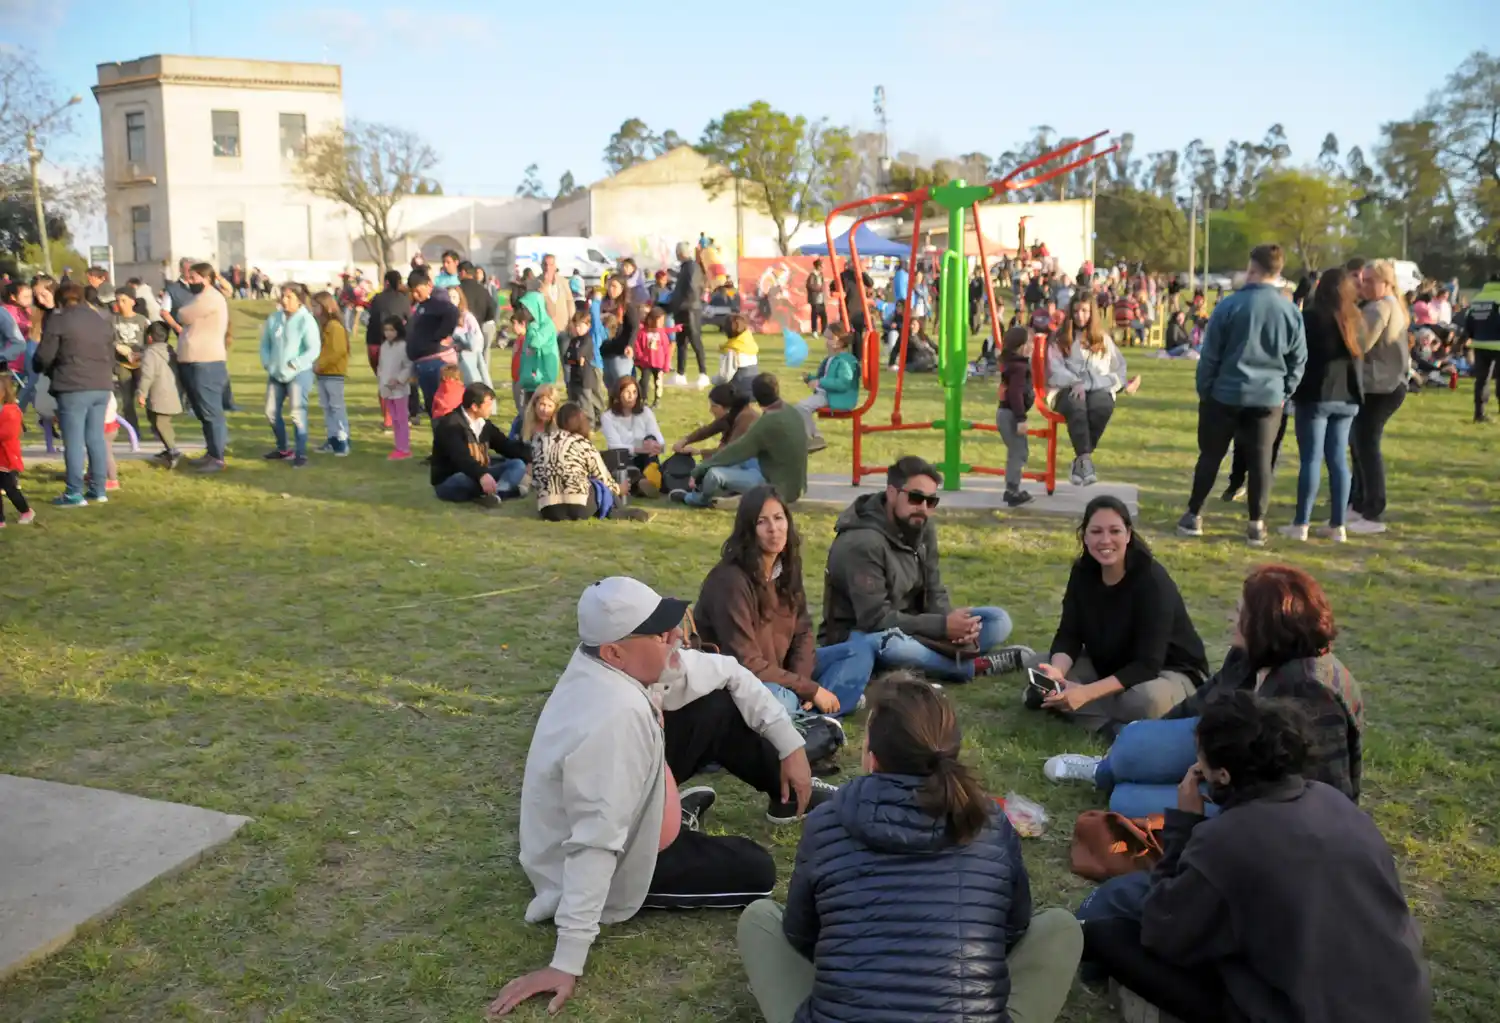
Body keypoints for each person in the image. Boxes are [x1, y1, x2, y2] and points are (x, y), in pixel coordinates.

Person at [490, 577, 832, 1019]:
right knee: (757, 870)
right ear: (615, 652)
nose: (676, 637)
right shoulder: (611, 720)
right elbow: (595, 842)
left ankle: (787, 794)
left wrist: (791, 746)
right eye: (659, 633)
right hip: (609, 862)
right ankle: (673, 828)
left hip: (628, 799)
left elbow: (729, 671)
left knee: (717, 706)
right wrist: (566, 960)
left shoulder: (615, 663)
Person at [737, 674, 1084, 1023]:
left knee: (760, 918)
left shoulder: (827, 821)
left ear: (872, 757)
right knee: (1060, 926)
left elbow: (801, 935)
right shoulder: (991, 823)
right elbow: (1012, 929)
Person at [1080, 693, 1429, 1023]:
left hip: (1301, 1013)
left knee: (1110, 935)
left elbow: (1163, 930)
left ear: (1222, 775)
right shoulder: (1333, 801)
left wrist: (1183, 825)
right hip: (1401, 1005)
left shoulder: (1227, 838)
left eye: (1200, 759)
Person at [1046, 563, 1363, 821]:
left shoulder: (1311, 689)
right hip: (1224, 750)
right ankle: (1105, 769)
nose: (1231, 618)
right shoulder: (1248, 655)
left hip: (1261, 798)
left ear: (1268, 624)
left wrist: (1217, 786)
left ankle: (1123, 774)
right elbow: (1202, 702)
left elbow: (1329, 792)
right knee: (1133, 740)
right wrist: (1153, 736)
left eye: (1241, 613)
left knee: (1125, 800)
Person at [818, 456, 1030, 684]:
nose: (923, 508)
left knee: (998, 620)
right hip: (863, 635)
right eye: (916, 498)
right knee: (890, 645)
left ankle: (933, 661)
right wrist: (941, 627)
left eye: (931, 501)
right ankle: (972, 667)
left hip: (914, 627)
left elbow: (934, 588)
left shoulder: (921, 526)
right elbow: (874, 619)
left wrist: (954, 631)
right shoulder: (862, 543)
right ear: (892, 493)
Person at [1029, 496, 1208, 736]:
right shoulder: (1082, 573)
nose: (1105, 540)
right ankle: (1105, 722)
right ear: (1085, 536)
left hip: (1167, 672)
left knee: (1145, 701)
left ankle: (1075, 707)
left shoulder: (1152, 581)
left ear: (1128, 535)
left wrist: (1086, 693)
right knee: (1039, 667)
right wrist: (1057, 674)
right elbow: (1069, 634)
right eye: (1096, 531)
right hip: (1110, 665)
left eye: (1115, 531)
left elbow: (1147, 664)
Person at [1177, 244, 1307, 547]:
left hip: (1225, 394)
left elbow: (1210, 355)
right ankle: (1256, 524)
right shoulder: (1290, 311)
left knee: (1211, 456)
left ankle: (1194, 514)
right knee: (1261, 461)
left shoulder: (1229, 306)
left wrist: (1205, 391)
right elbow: (1298, 359)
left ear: (1252, 269)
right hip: (1268, 397)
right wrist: (1285, 390)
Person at [695, 485, 856, 716]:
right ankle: (820, 708)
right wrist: (808, 689)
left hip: (782, 675)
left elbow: (803, 633)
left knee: (857, 651)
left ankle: (808, 709)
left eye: (779, 518)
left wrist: (803, 685)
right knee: (777, 699)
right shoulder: (729, 581)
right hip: (742, 685)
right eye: (762, 522)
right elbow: (746, 663)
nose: (773, 529)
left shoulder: (786, 567)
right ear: (748, 530)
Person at [1279, 268, 1364, 542]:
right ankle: (1338, 525)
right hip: (1348, 395)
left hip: (1316, 395)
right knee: (1339, 460)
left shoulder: (1311, 318)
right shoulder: (1355, 318)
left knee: (1311, 460)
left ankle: (1301, 523)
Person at [33, 284, 114, 506]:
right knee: (96, 438)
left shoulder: (59, 320)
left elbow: (44, 355)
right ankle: (98, 489)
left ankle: (74, 492)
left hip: (72, 384)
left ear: (60, 301)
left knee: (74, 441)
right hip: (102, 384)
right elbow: (110, 352)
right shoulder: (100, 319)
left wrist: (42, 368)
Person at [675, 374, 806, 508]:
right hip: (792, 480)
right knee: (732, 462)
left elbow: (734, 452)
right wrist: (687, 440)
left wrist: (700, 469)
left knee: (714, 474)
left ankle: (694, 499)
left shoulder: (763, 422)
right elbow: (717, 431)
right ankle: (729, 490)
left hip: (777, 487)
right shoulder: (791, 411)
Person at [1347, 259, 1410, 535]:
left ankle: (1372, 510)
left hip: (1380, 387)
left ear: (1387, 283)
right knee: (1360, 444)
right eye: (1364, 279)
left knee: (1366, 446)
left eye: (1371, 280)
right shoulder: (1390, 305)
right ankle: (1360, 503)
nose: (1364, 285)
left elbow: (1359, 344)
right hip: (1385, 385)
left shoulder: (1379, 308)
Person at [1046, 293, 1128, 487]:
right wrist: (1075, 382)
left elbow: (1118, 368)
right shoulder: (1060, 338)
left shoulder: (1103, 339)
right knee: (1077, 405)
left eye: (1084, 311)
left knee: (1102, 405)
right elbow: (1055, 368)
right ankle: (1085, 461)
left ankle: (1081, 460)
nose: (1079, 316)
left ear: (1092, 313)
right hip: (1065, 388)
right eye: (1075, 311)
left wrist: (1115, 383)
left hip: (1097, 387)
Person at [168, 262, 231, 473]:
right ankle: (211, 453)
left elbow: (183, 314)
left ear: (208, 278)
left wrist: (180, 309)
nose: (190, 281)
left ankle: (218, 457)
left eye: (195, 278)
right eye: (189, 278)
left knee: (211, 411)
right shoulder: (198, 297)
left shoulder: (211, 297)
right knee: (202, 412)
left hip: (207, 362)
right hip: (192, 360)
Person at [530, 401, 641, 521]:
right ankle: (618, 511)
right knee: (598, 485)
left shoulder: (541, 442)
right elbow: (603, 478)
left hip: (548, 509)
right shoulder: (582, 443)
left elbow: (536, 478)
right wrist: (619, 489)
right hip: (579, 506)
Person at [430, 382, 530, 506]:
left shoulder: (484, 424)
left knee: (517, 464)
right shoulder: (450, 425)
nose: (491, 409)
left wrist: (531, 457)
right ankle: (501, 492)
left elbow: (505, 445)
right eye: (488, 405)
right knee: (462, 479)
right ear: (474, 407)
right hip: (452, 477)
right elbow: (461, 458)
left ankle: (497, 494)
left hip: (480, 472)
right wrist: (481, 474)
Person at [258, 285, 321, 467]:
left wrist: (297, 363)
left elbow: (313, 349)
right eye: (283, 296)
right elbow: (265, 344)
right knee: (270, 412)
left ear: (299, 300)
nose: (284, 300)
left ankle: (301, 454)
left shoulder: (306, 320)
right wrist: (267, 362)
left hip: (298, 375)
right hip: (276, 373)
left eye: (289, 297)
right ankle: (283, 449)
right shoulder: (274, 318)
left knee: (297, 414)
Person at [405, 269, 457, 417]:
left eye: (418, 291)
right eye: (413, 292)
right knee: (431, 406)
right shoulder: (422, 306)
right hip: (423, 362)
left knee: (441, 405)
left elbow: (452, 312)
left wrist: (441, 335)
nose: (415, 295)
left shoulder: (437, 302)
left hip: (435, 360)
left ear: (428, 285)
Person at [795, 331, 859, 450]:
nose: (826, 342)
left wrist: (820, 382)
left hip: (835, 397)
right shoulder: (832, 359)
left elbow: (843, 383)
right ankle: (815, 438)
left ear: (840, 343)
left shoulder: (845, 361)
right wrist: (810, 378)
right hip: (827, 394)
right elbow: (824, 377)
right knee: (800, 408)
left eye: (830, 338)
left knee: (802, 407)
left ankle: (813, 439)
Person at [996, 325, 1035, 507]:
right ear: (1020, 346)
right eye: (1030, 343)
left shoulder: (1012, 364)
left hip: (1006, 414)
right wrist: (1021, 418)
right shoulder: (1019, 367)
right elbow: (1015, 394)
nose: (1033, 346)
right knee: (1019, 452)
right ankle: (1012, 491)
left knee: (1017, 451)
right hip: (1011, 415)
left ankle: (1012, 488)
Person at [136, 321, 184, 469]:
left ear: (150, 337)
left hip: (160, 394)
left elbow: (147, 375)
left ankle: (173, 451)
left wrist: (142, 394)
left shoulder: (150, 353)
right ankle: (169, 448)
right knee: (157, 421)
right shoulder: (170, 350)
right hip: (173, 392)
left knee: (160, 423)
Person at [309, 291, 351, 456]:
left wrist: (320, 364)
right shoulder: (324, 326)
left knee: (336, 407)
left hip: (333, 373)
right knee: (327, 408)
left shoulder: (334, 327)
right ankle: (332, 439)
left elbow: (338, 351)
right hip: (323, 374)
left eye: (316, 306)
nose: (313, 310)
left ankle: (343, 440)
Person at [599, 376, 663, 479]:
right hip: (623, 459)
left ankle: (650, 479)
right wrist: (640, 447)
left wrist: (654, 445)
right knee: (626, 456)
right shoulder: (608, 417)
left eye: (634, 392)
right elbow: (615, 446)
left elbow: (659, 440)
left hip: (645, 458)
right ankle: (645, 480)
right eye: (627, 392)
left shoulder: (646, 412)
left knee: (651, 439)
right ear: (618, 394)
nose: (631, 396)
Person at [672, 382, 760, 457]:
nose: (711, 410)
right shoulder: (733, 413)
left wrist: (699, 452)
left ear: (727, 407)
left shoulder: (746, 418)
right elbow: (709, 430)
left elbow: (730, 452)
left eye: (714, 406)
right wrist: (685, 440)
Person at [668, 242, 709, 388]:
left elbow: (692, 287)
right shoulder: (685, 267)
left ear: (680, 253)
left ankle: (703, 373)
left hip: (690, 309)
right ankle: (680, 373)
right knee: (681, 342)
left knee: (695, 340)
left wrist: (683, 303)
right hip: (682, 309)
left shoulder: (691, 266)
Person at [108, 285, 148, 434]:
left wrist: (141, 354)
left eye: (123, 300)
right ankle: (134, 431)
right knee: (127, 399)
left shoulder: (142, 320)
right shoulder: (113, 320)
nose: (120, 304)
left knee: (146, 396)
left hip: (140, 363)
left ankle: (156, 427)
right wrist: (118, 346)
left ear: (132, 301)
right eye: (117, 300)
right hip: (122, 364)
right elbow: (107, 339)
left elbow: (150, 341)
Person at [513, 291, 561, 410]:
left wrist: (532, 327)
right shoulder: (531, 326)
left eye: (527, 309)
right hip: (530, 377)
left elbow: (536, 342)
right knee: (529, 409)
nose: (525, 312)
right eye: (524, 309)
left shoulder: (546, 324)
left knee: (542, 408)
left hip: (543, 375)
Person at [376, 316, 415, 460]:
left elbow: (408, 366)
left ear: (398, 330)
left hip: (399, 389)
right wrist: (382, 380)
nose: (388, 333)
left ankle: (404, 448)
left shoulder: (403, 346)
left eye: (392, 330)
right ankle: (399, 446)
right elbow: (381, 366)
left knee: (401, 418)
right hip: (387, 388)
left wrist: (399, 380)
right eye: (386, 330)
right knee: (394, 419)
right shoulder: (384, 346)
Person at [1465, 271, 1500, 423]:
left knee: (1482, 380)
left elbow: (1469, 320)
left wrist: (1473, 336)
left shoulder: (1478, 298)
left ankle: (1479, 413)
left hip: (1480, 344)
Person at [0, 373, 33, 526]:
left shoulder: (11, 411)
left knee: (10, 488)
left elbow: (8, 433)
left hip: (6, 457)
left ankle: (25, 511)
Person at [458, 261, 498, 387]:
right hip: (477, 331)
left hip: (460, 335)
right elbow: (492, 310)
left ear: (462, 272)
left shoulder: (458, 290)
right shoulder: (483, 290)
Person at [365, 269, 410, 378]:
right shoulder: (404, 299)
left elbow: (372, 317)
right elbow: (410, 319)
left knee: (382, 377)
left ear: (386, 282)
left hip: (374, 341)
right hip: (395, 342)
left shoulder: (377, 298)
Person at [562, 308, 605, 421]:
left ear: (588, 326)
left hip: (584, 378)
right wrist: (575, 360)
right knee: (573, 402)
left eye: (580, 325)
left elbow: (577, 355)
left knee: (585, 403)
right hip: (574, 377)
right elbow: (567, 358)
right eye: (576, 325)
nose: (577, 328)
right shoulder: (574, 341)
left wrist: (574, 359)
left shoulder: (587, 340)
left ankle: (591, 423)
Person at [598, 276, 638, 387]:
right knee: (610, 386)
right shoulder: (602, 306)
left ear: (622, 288)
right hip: (605, 351)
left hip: (620, 352)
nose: (611, 289)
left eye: (614, 286)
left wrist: (630, 345)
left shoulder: (627, 307)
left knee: (623, 384)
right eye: (609, 286)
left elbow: (634, 327)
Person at [448, 285, 485, 389]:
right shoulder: (443, 318)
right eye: (449, 297)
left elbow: (476, 342)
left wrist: (461, 341)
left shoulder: (467, 317)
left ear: (460, 299)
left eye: (454, 297)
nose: (451, 300)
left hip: (466, 362)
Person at [716, 313, 759, 393]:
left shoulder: (732, 351)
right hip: (753, 391)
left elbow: (725, 377)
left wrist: (712, 380)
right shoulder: (750, 344)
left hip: (738, 393)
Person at [538, 255, 573, 337]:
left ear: (555, 266)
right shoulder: (534, 283)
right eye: (545, 264)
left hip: (563, 328)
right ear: (541, 266)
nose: (547, 268)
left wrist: (572, 321)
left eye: (551, 265)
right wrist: (544, 287)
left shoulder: (563, 282)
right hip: (545, 330)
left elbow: (570, 302)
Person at [805, 258, 827, 335]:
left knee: (824, 316)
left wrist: (823, 288)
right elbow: (809, 286)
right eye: (821, 266)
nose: (822, 267)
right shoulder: (812, 275)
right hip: (814, 298)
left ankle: (824, 331)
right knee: (814, 315)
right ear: (818, 266)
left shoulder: (821, 275)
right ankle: (814, 331)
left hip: (821, 298)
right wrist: (818, 289)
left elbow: (822, 284)